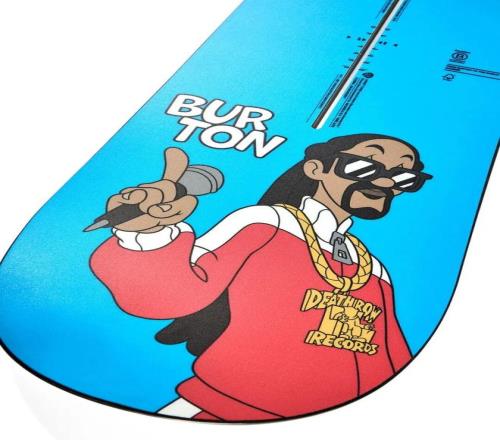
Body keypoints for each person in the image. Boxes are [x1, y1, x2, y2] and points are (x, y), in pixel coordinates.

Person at [90, 133, 432, 421]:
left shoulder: (371, 268)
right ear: (317, 169)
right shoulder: (265, 224)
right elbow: (175, 293)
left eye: (403, 178)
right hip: (227, 411)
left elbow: (389, 354)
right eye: (365, 166)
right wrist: (146, 230)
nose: (384, 183)